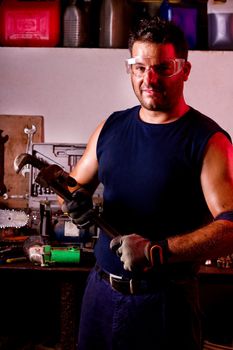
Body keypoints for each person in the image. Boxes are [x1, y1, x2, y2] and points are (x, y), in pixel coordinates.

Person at [62, 16, 233, 350]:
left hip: (164, 303)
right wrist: (72, 202)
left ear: (184, 69)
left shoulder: (208, 141)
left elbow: (230, 227)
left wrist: (158, 251)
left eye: (163, 68)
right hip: (100, 294)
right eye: (139, 67)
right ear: (130, 69)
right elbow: (71, 186)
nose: (149, 79)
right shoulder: (110, 128)